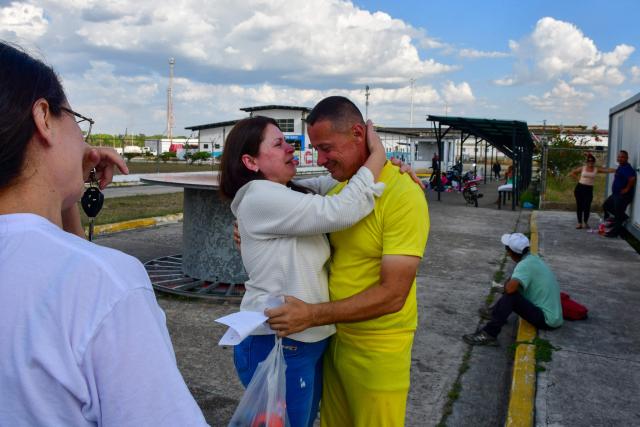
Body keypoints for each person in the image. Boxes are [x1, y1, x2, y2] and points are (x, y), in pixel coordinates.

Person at [0, 41, 207, 426]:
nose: (84, 142)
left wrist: (63, 192)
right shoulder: (107, 284)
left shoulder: (77, 274)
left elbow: (47, 254)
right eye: (76, 121)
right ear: (43, 117)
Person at [265, 96, 429, 427]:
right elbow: (280, 199)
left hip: (377, 348)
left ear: (358, 133)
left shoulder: (403, 195)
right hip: (334, 339)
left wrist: (311, 315)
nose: (320, 159)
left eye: (327, 148)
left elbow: (393, 294)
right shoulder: (342, 191)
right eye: (315, 149)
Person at [218, 116, 387, 426]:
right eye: (278, 144)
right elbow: (343, 209)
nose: (290, 149)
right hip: (280, 341)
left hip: (302, 341)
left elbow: (337, 183)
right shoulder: (259, 196)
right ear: (250, 161)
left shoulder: (287, 192)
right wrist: (378, 156)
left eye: (289, 142)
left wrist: (386, 170)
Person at [462, 233, 563, 346]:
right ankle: (495, 312)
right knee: (513, 288)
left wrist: (507, 284)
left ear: (511, 252)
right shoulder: (532, 258)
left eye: (507, 250)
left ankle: (489, 334)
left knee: (511, 296)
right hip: (554, 316)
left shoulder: (524, 265)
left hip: (547, 320)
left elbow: (510, 290)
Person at [601, 150, 636, 238]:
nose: (620, 158)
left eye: (622, 157)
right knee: (606, 205)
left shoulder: (628, 168)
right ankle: (623, 217)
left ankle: (614, 233)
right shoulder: (620, 167)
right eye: (619, 157)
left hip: (623, 196)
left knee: (618, 213)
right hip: (615, 194)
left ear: (627, 158)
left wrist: (627, 189)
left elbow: (632, 178)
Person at [568, 154, 608, 229]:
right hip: (579, 188)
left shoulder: (596, 169)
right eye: (589, 161)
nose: (590, 162)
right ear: (587, 162)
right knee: (579, 206)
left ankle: (585, 222)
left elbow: (606, 170)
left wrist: (617, 170)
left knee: (587, 206)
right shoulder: (582, 168)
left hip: (589, 189)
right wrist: (578, 179)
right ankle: (579, 223)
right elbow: (572, 173)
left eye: (592, 161)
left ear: (594, 162)